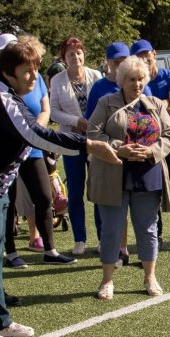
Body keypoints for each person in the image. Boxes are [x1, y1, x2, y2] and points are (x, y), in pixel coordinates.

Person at [0, 40, 120, 337]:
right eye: (27, 70)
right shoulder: (0, 96)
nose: (34, 76)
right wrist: (89, 145)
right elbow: (35, 134)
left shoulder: (11, 94)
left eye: (36, 69)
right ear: (8, 73)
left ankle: (0, 320)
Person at [87, 55, 170, 299]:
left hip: (148, 174)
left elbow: (169, 134)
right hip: (112, 174)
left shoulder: (155, 104)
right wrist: (119, 148)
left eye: (140, 79)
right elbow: (92, 132)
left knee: (147, 229)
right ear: (121, 81)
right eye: (131, 79)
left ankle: (150, 277)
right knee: (111, 230)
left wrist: (151, 151)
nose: (137, 84)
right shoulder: (106, 102)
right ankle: (107, 280)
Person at [0, 34, 73, 268]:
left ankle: (50, 250)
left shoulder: (36, 78)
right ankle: (10, 252)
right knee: (8, 201)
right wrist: (28, 133)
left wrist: (34, 132)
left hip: (33, 149)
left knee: (44, 197)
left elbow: (45, 109)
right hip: (7, 152)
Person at [134, 39, 170, 253]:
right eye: (138, 55)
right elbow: (137, 113)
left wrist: (154, 108)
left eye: (146, 54)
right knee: (153, 192)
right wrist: (163, 104)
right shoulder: (138, 82)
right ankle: (156, 236)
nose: (144, 58)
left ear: (154, 53)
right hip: (149, 146)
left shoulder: (169, 77)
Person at [48, 37, 102, 256]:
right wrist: (76, 121)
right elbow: (53, 112)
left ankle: (102, 237)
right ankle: (79, 239)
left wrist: (92, 124)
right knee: (76, 191)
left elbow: (104, 104)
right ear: (64, 58)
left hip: (95, 140)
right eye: (71, 54)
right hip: (71, 141)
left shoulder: (96, 76)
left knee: (98, 190)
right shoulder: (57, 80)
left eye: (79, 52)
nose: (76, 57)